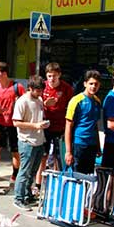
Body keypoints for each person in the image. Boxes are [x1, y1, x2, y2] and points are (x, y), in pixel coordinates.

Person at [34, 62, 73, 191]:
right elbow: (34, 104)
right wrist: (45, 104)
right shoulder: (42, 87)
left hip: (60, 127)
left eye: (54, 76)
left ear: (59, 75)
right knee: (42, 156)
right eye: (49, 76)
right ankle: (38, 185)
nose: (52, 79)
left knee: (58, 156)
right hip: (45, 127)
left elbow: (71, 107)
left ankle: (57, 185)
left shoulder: (66, 88)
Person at [12, 75, 49, 210]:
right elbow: (16, 122)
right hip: (27, 141)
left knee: (33, 171)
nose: (40, 93)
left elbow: (38, 116)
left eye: (41, 91)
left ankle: (27, 195)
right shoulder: (22, 101)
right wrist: (36, 126)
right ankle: (18, 198)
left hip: (39, 140)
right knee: (25, 171)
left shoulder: (39, 100)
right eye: (38, 90)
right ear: (31, 88)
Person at [0, 62, 25, 184]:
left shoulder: (17, 87)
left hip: (14, 125)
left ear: (4, 74)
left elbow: (26, 103)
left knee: (15, 151)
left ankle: (15, 175)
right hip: (0, 123)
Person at [64, 70, 102, 174]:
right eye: (91, 83)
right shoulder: (76, 101)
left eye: (96, 84)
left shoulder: (97, 101)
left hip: (92, 145)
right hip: (79, 144)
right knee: (77, 175)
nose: (93, 86)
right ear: (85, 84)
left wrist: (98, 146)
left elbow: (96, 126)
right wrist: (68, 152)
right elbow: (68, 126)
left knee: (88, 176)